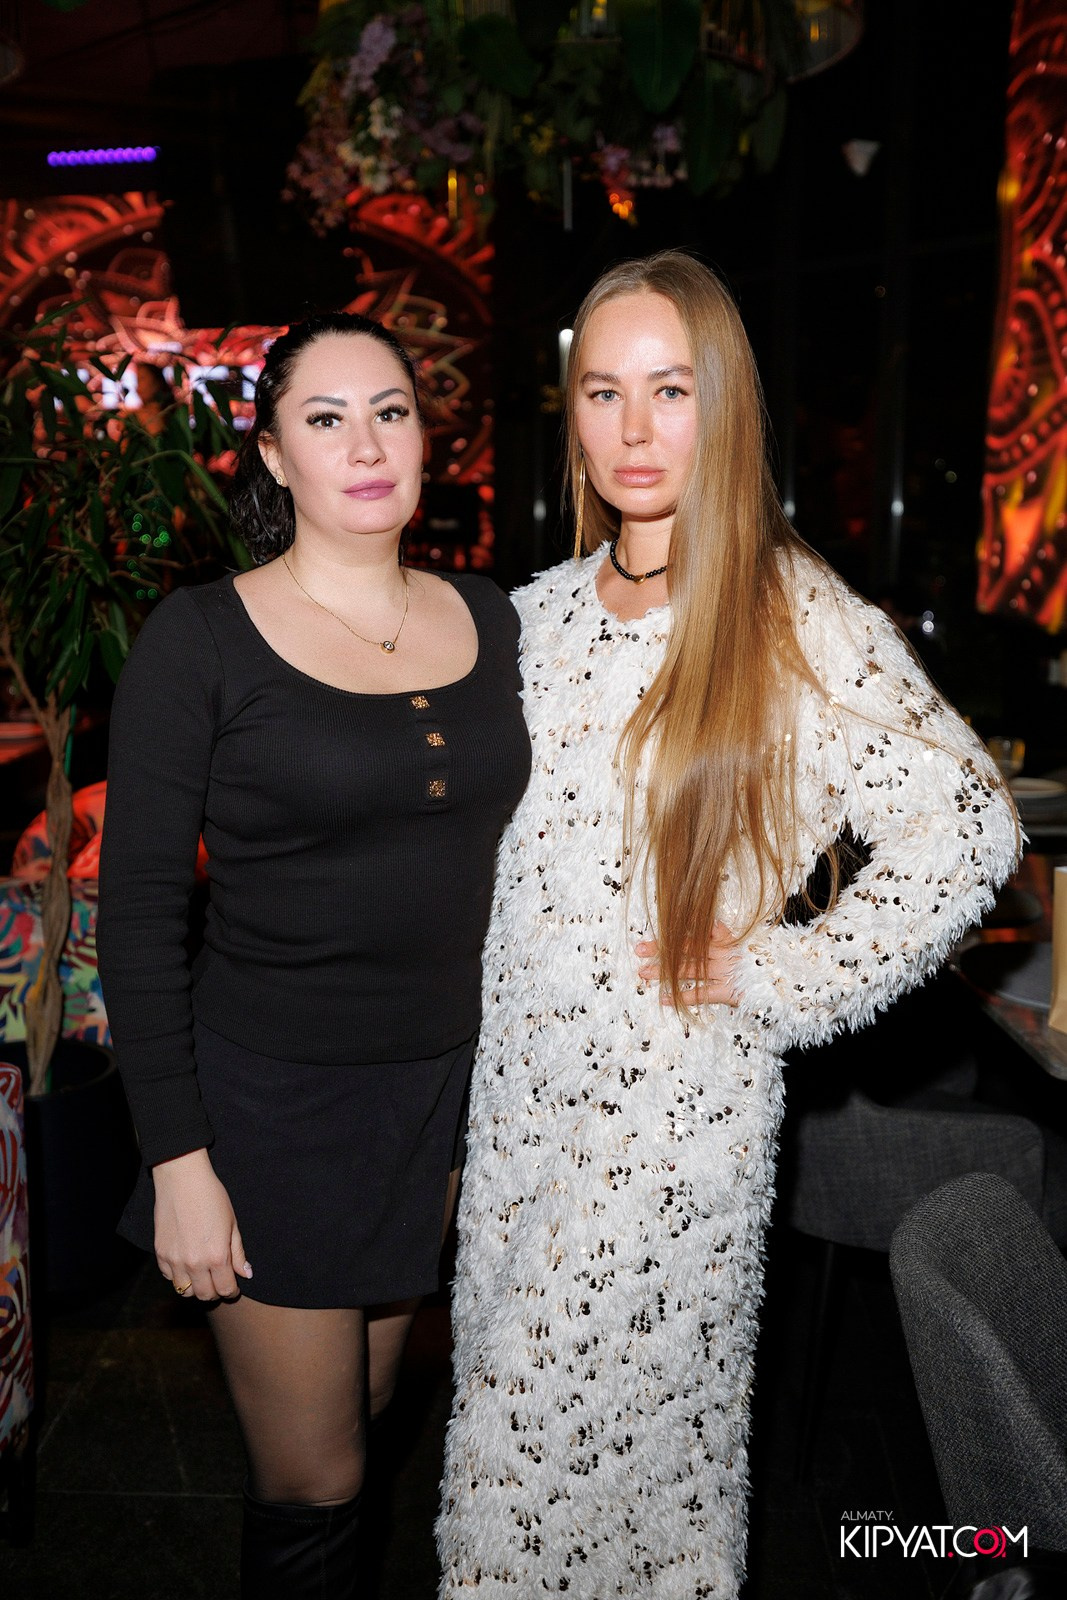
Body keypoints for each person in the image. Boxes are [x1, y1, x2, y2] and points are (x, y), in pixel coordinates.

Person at [437, 252, 1020, 1597]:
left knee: (565, 1506)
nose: (632, 429)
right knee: (522, 1480)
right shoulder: (529, 618)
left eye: (670, 389)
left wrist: (784, 972)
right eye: (602, 391)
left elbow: (966, 826)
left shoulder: (785, 611)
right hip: (519, 1121)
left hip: (669, 1127)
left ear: (726, 405)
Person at [96, 311, 531, 1598]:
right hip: (273, 1107)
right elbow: (137, 916)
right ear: (275, 457)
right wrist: (179, 1161)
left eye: (389, 412)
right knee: (315, 1479)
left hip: (439, 1099)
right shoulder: (200, 638)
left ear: (426, 437)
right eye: (325, 419)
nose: (365, 445)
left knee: (375, 1411)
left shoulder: (494, 618)